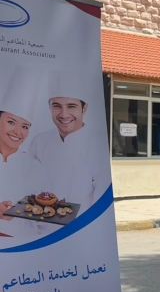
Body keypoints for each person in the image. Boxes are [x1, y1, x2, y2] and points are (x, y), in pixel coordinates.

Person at [29, 72, 111, 216]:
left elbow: (102, 198)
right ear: (50, 108)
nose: (64, 114)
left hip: (81, 224)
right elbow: (26, 181)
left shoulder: (98, 145)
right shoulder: (39, 141)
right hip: (37, 222)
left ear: (84, 109)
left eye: (71, 106)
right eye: (57, 106)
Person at [0, 68, 51, 243]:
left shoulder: (34, 166)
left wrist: (21, 210)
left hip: (24, 245)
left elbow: (48, 214)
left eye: (25, 126)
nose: (18, 132)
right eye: (11, 122)